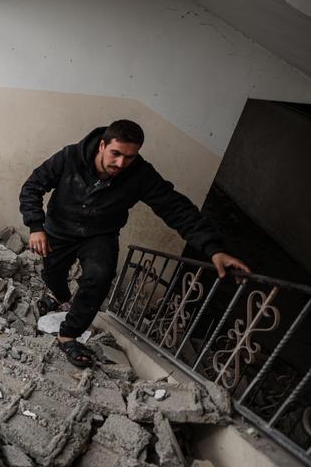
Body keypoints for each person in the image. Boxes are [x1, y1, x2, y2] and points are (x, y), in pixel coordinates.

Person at [19, 120, 249, 368]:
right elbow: (32, 186)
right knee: (53, 274)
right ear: (102, 145)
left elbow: (175, 208)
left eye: (129, 157)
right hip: (59, 229)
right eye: (115, 154)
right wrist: (35, 227)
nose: (121, 164)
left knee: (99, 276)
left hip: (100, 234)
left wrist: (214, 249)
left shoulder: (140, 174)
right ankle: (59, 295)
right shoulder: (70, 156)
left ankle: (68, 336)